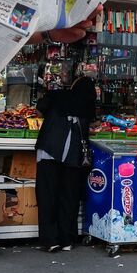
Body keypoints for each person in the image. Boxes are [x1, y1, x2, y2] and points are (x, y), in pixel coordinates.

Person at [35, 63, 97, 252]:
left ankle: (50, 239)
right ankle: (67, 240)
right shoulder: (88, 106)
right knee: (69, 196)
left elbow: (39, 111)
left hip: (50, 151)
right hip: (73, 155)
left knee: (48, 195)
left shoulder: (56, 95)